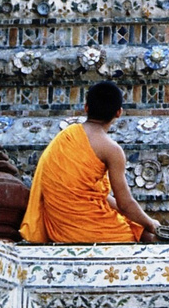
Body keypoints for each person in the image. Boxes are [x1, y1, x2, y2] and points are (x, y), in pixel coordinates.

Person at [20, 81, 161, 244]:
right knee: (135, 234)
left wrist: (143, 223)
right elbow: (125, 203)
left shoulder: (65, 136)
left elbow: (95, 194)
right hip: (88, 229)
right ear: (119, 113)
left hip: (58, 228)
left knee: (136, 225)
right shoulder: (112, 150)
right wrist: (152, 224)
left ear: (86, 107)